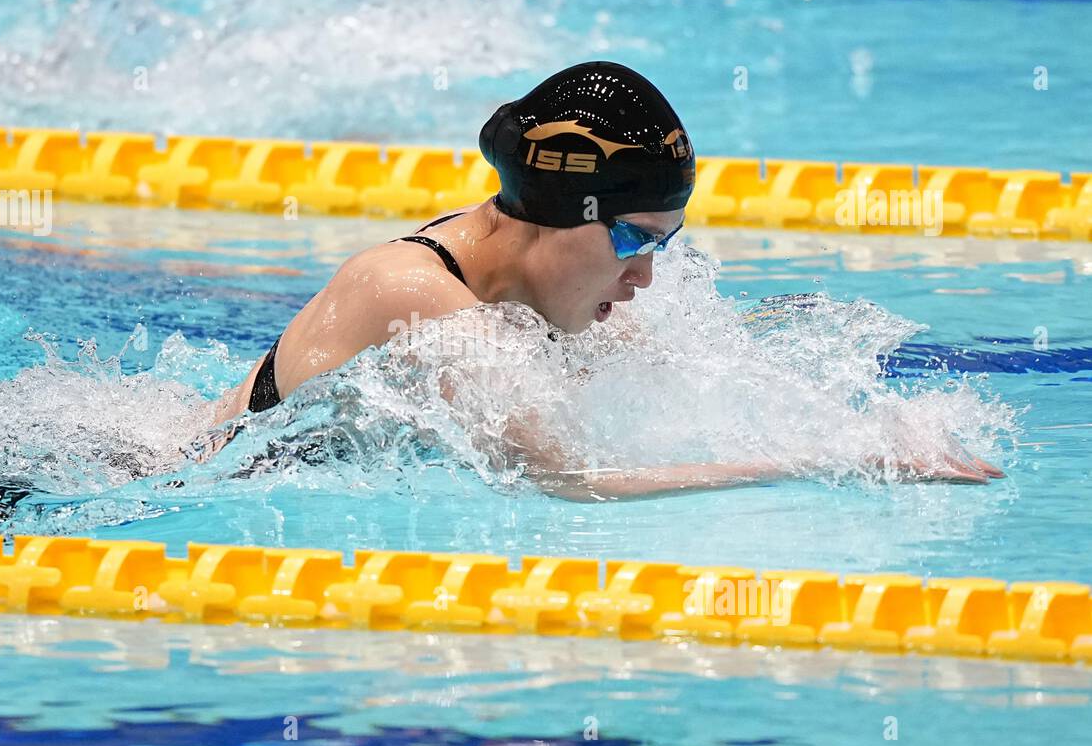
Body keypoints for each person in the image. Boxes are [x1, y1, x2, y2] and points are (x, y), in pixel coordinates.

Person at [198, 61, 1004, 500]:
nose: (646, 275)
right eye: (632, 239)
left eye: (664, 243)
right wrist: (841, 459)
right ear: (559, 213)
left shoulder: (540, 282)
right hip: (166, 484)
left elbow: (696, 379)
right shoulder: (408, 290)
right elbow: (576, 480)